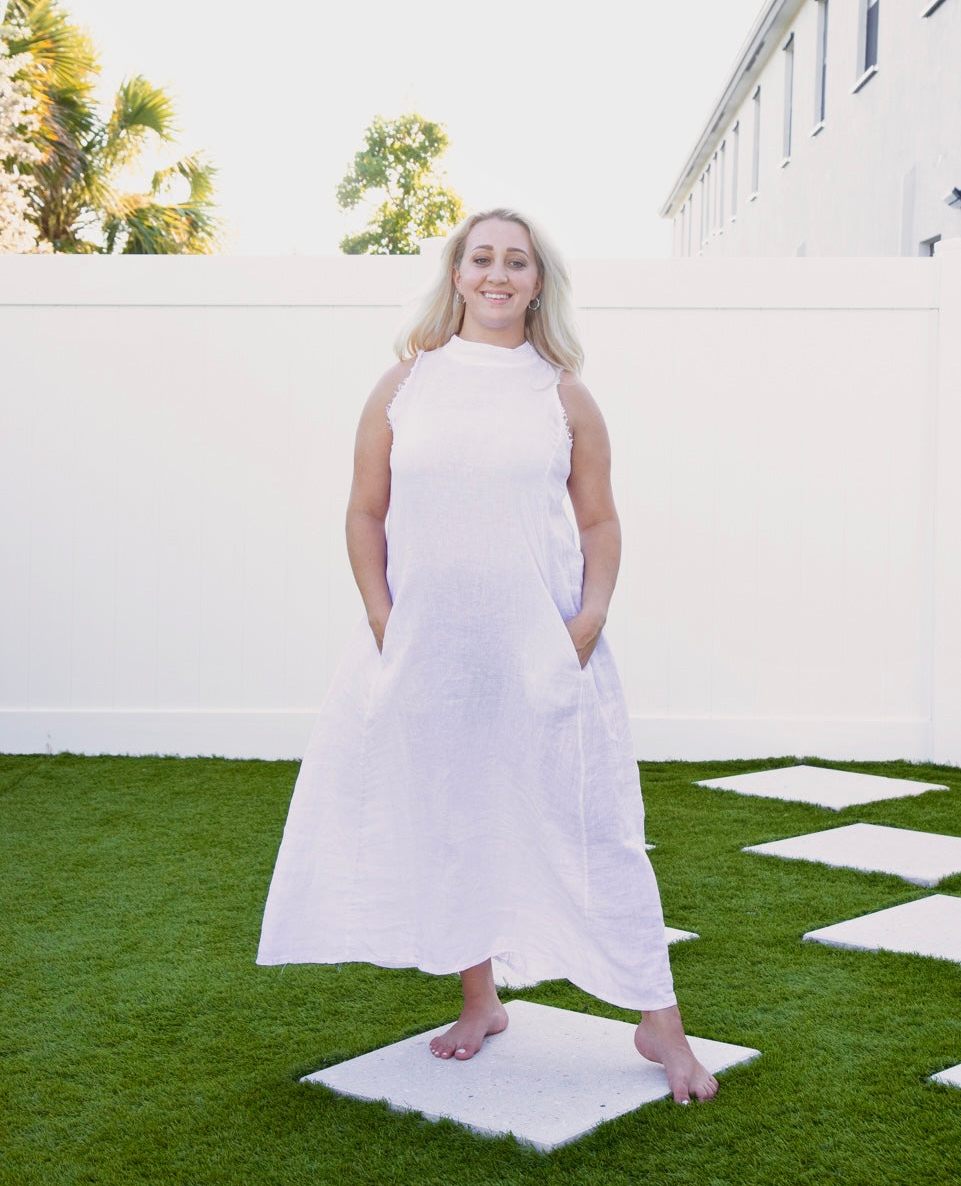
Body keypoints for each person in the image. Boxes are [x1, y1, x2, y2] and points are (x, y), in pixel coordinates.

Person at [257, 208, 718, 1104]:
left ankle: (657, 1018)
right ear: (456, 273)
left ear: (538, 282)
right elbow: (362, 511)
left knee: (598, 829)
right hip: (429, 649)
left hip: (543, 651)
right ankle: (481, 1001)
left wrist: (586, 620)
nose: (498, 274)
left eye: (517, 261)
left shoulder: (562, 393)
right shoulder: (403, 386)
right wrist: (385, 617)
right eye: (482, 259)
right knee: (455, 814)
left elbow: (598, 520)